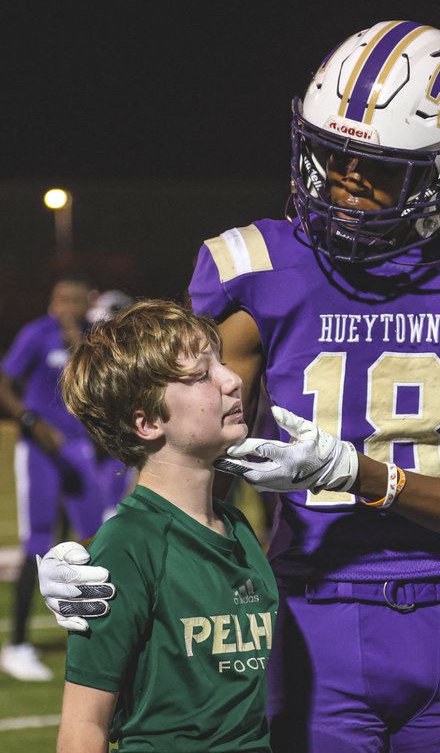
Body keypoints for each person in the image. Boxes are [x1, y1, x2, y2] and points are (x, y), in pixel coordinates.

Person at [41, 20, 440, 752]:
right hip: (307, 615)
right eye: (332, 154)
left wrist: (357, 474)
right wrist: (106, 561)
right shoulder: (259, 267)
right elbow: (188, 458)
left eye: (378, 167)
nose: (345, 180)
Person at [55, 299, 275, 753]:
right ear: (149, 421)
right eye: (201, 375)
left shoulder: (235, 525)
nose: (232, 380)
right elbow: (83, 726)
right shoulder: (128, 544)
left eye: (221, 364)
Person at [0, 275, 110, 682]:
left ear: (87, 303)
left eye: (74, 300)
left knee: (97, 540)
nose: (66, 307)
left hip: (79, 450)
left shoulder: (94, 338)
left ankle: (98, 635)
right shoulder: (36, 334)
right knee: (38, 542)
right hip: (40, 452)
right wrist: (30, 421)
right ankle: (16, 644)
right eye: (61, 299)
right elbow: (2, 385)